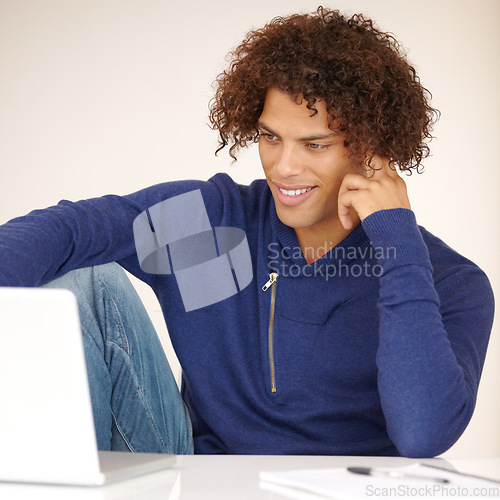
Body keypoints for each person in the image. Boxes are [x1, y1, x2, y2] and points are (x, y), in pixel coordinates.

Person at [0, 7, 494, 458]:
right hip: (195, 479)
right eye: (270, 137)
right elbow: (73, 230)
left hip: (344, 490)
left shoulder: (451, 282)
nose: (283, 167)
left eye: (315, 144)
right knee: (88, 279)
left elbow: (422, 434)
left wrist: (396, 241)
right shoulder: (218, 229)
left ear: (370, 149)